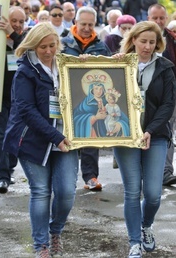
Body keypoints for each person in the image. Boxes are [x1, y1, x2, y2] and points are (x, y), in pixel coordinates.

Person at [3, 22, 78, 258]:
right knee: (41, 191)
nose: (48, 51)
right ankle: (41, 245)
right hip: (34, 139)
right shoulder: (25, 70)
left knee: (66, 193)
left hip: (66, 138)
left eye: (52, 45)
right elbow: (26, 110)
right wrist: (55, 137)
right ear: (33, 46)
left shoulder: (67, 65)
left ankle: (55, 232)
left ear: (58, 43)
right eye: (42, 46)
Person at [113, 20, 175, 258]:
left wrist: (149, 130)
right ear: (133, 41)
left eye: (152, 42)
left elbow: (168, 104)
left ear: (157, 43)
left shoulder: (165, 67)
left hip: (155, 135)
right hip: (125, 135)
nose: (147, 46)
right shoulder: (118, 62)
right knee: (131, 191)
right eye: (143, 41)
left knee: (152, 194)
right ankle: (134, 242)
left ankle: (146, 224)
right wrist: (106, 66)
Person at [61, 6, 111, 191]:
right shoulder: (63, 43)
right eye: (83, 24)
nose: (87, 28)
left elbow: (109, 69)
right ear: (75, 22)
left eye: (91, 24)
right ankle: (67, 178)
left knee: (91, 136)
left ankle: (90, 177)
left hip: (92, 99)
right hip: (67, 97)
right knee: (68, 137)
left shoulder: (101, 46)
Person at [148, 3, 176, 186]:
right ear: (148, 18)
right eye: (154, 17)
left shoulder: (173, 40)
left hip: (170, 94)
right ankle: (145, 170)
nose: (158, 21)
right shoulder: (140, 37)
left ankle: (166, 171)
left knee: (168, 132)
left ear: (166, 19)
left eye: (161, 18)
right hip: (145, 97)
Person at [0, 6, 27, 194]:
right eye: (14, 21)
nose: (18, 25)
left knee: (15, 136)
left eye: (21, 21)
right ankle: (2, 177)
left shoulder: (23, 38)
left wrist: (12, 33)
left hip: (19, 99)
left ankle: (9, 167)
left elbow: (28, 47)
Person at [73, 69, 129, 137]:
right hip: (93, 136)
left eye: (101, 89)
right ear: (92, 90)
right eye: (96, 88)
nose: (99, 91)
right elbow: (75, 119)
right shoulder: (85, 104)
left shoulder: (109, 102)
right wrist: (94, 118)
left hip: (110, 133)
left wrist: (120, 124)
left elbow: (123, 118)